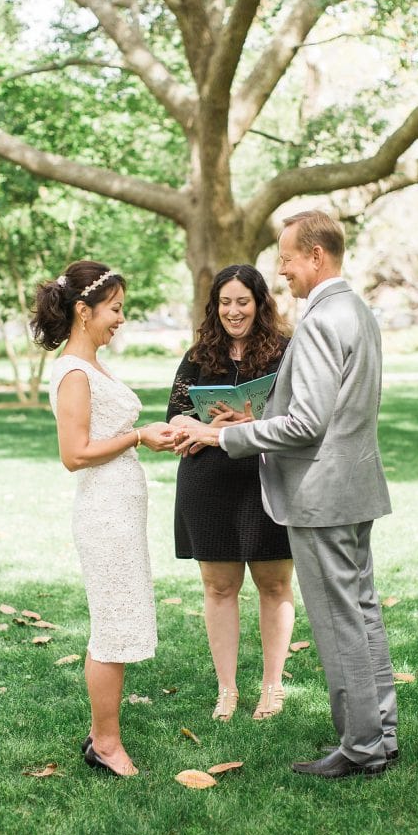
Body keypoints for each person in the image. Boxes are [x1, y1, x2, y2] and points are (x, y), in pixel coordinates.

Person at [174, 212, 398, 777]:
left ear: (316, 256)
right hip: (355, 486)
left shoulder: (322, 320)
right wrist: (257, 418)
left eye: (289, 259)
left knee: (340, 620)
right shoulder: (358, 311)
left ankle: (362, 747)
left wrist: (223, 433)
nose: (283, 271)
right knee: (364, 613)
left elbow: (308, 424)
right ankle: (382, 734)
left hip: (322, 494)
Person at [31, 260, 177, 778]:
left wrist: (157, 436)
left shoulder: (92, 365)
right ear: (82, 310)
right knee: (111, 628)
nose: (120, 319)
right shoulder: (74, 371)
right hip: (103, 515)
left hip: (120, 511)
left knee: (119, 621)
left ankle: (103, 737)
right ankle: (106, 744)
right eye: (114, 309)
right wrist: (139, 436)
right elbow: (74, 453)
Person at [166, 265, 295, 722]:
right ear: (214, 306)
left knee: (275, 585)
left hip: (267, 479)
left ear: (259, 303)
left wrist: (250, 426)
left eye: (242, 301)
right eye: (225, 302)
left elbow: (300, 418)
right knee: (219, 587)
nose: (233, 311)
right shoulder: (199, 355)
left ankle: (273, 687)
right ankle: (227, 690)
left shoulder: (285, 353)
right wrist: (205, 428)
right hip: (210, 483)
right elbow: (175, 419)